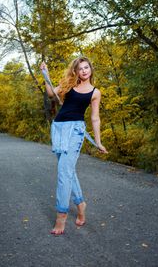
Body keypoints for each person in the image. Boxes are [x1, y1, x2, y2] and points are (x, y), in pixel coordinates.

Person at [40, 57, 108, 235]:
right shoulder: (69, 84)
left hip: (75, 132)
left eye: (87, 67)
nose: (84, 71)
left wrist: (98, 141)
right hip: (59, 128)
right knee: (68, 170)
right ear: (76, 71)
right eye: (80, 68)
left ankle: (61, 216)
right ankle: (80, 203)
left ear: (90, 69)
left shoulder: (95, 92)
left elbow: (95, 117)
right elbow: (50, 94)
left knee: (63, 171)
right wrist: (45, 75)